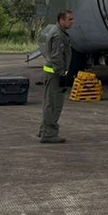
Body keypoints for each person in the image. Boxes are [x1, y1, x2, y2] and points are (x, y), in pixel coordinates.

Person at [38, 10, 74, 144]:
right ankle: (49, 133)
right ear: (61, 20)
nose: (72, 22)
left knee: (49, 102)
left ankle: (44, 129)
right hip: (55, 74)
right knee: (53, 104)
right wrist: (62, 74)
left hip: (52, 73)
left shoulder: (57, 31)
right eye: (69, 19)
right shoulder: (58, 36)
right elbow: (57, 57)